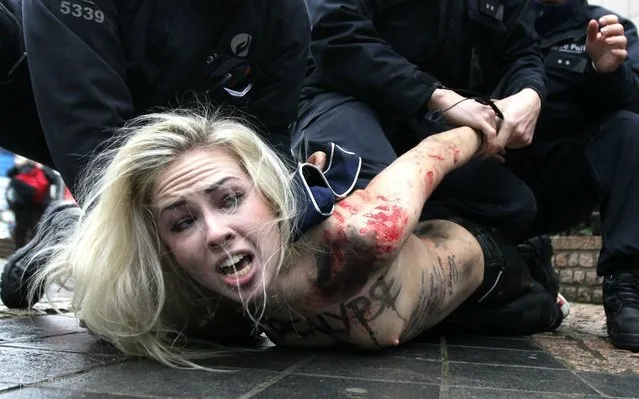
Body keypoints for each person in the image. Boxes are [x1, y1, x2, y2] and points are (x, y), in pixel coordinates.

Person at [19, 110, 562, 368]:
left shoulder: (362, 233)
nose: (215, 232)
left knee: (540, 308)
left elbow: (433, 153)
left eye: (230, 198)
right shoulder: (193, 295)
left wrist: (491, 122)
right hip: (406, 324)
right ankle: (68, 230)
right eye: (182, 221)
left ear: (268, 193)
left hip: (489, 279)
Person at [0, 0, 309, 307]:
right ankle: (83, 236)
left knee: (225, 315)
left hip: (189, 134)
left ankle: (70, 234)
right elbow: (89, 131)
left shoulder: (284, 14)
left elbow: (271, 149)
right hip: (52, 91)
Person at [293, 0, 547, 235]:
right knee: (377, 206)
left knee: (515, 206)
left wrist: (530, 94)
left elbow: (521, 52)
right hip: (344, 96)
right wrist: (436, 96)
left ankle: (433, 260)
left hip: (431, 120)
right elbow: (336, 33)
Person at [507, 0, 639, 352]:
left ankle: (625, 284)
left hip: (567, 182)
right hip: (498, 183)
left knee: (629, 127)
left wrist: (607, 72)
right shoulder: (499, 24)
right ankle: (531, 262)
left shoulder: (610, 30)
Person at [5, 159, 57, 249]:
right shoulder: (22, 167)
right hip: (22, 206)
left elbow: (54, 179)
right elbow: (10, 174)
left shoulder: (43, 168)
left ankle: (33, 251)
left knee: (36, 230)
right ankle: (19, 250)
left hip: (38, 206)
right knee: (21, 230)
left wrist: (43, 167)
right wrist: (18, 165)